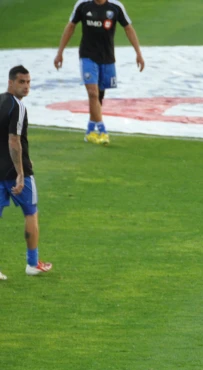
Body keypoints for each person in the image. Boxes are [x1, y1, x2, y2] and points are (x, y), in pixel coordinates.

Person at [54, 0, 145, 145]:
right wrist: (60, 53)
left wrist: (138, 53)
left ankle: (90, 130)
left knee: (99, 96)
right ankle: (103, 131)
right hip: (87, 56)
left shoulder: (115, 7)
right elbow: (71, 26)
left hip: (107, 58)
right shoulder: (83, 5)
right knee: (93, 93)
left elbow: (128, 28)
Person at [1, 66, 53, 278]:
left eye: (29, 82)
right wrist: (21, 172)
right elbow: (13, 140)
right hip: (15, 172)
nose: (26, 87)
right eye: (21, 82)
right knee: (31, 212)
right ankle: (32, 263)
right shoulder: (18, 107)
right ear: (11, 82)